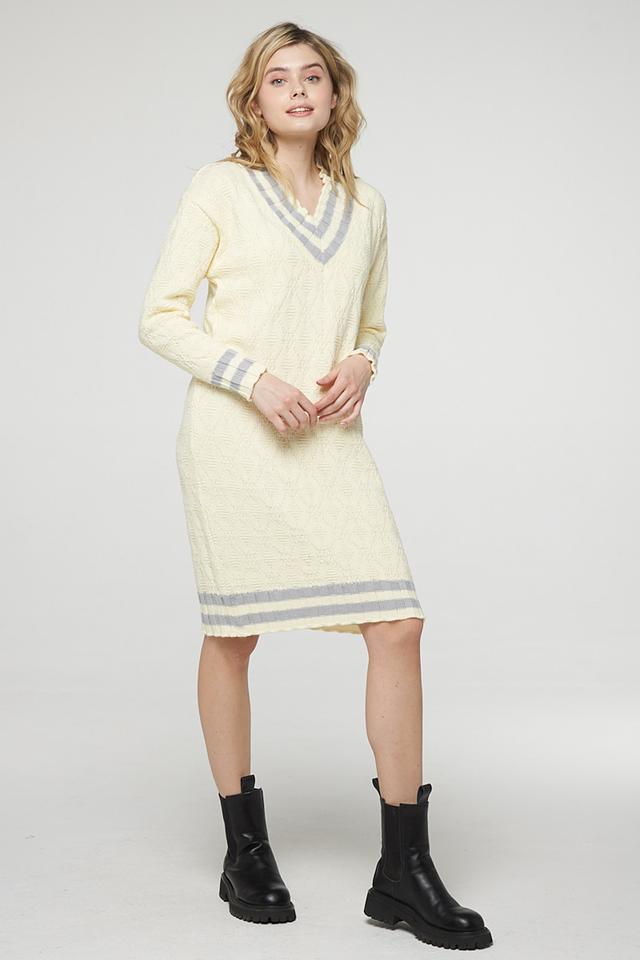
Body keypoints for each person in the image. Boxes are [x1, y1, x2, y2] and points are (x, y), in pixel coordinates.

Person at [138, 20, 492, 951]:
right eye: (277, 79)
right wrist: (254, 379)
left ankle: (403, 870)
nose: (297, 91)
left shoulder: (367, 205)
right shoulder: (219, 188)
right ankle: (244, 849)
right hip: (234, 436)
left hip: (330, 440)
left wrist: (364, 364)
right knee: (234, 633)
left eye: (313, 77)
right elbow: (160, 316)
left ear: (336, 94)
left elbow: (373, 323)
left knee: (398, 623)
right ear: (253, 100)